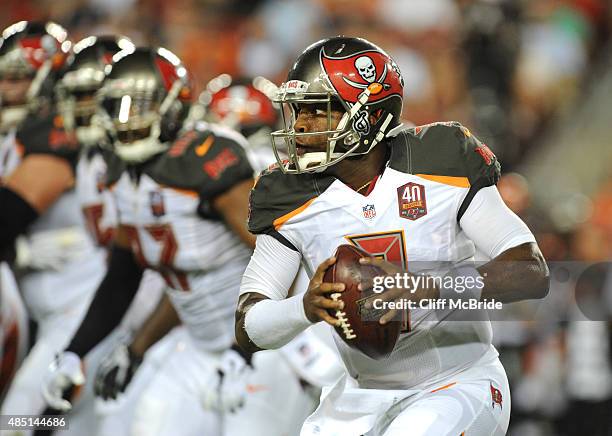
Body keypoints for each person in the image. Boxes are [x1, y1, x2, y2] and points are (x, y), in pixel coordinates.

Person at [236, 36, 550, 436]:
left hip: (456, 382)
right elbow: (248, 326)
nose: (299, 125)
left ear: (367, 115)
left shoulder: (440, 158)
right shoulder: (287, 194)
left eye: (318, 111)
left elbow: (530, 271)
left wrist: (432, 285)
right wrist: (305, 308)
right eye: (298, 111)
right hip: (358, 395)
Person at [42, 46, 257, 436]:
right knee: (146, 424)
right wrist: (89, 350)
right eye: (117, 108)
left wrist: (251, 347)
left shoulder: (203, 159)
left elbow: (281, 258)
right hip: (201, 343)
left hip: (269, 343)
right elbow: (130, 277)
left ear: (174, 105)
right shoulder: (124, 171)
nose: (127, 121)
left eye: (138, 106)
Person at [0, 22, 109, 435]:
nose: (7, 89)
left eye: (18, 78)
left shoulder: (55, 132)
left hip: (81, 314)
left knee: (17, 423)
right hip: (47, 316)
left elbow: (7, 218)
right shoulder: (16, 135)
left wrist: (14, 253)